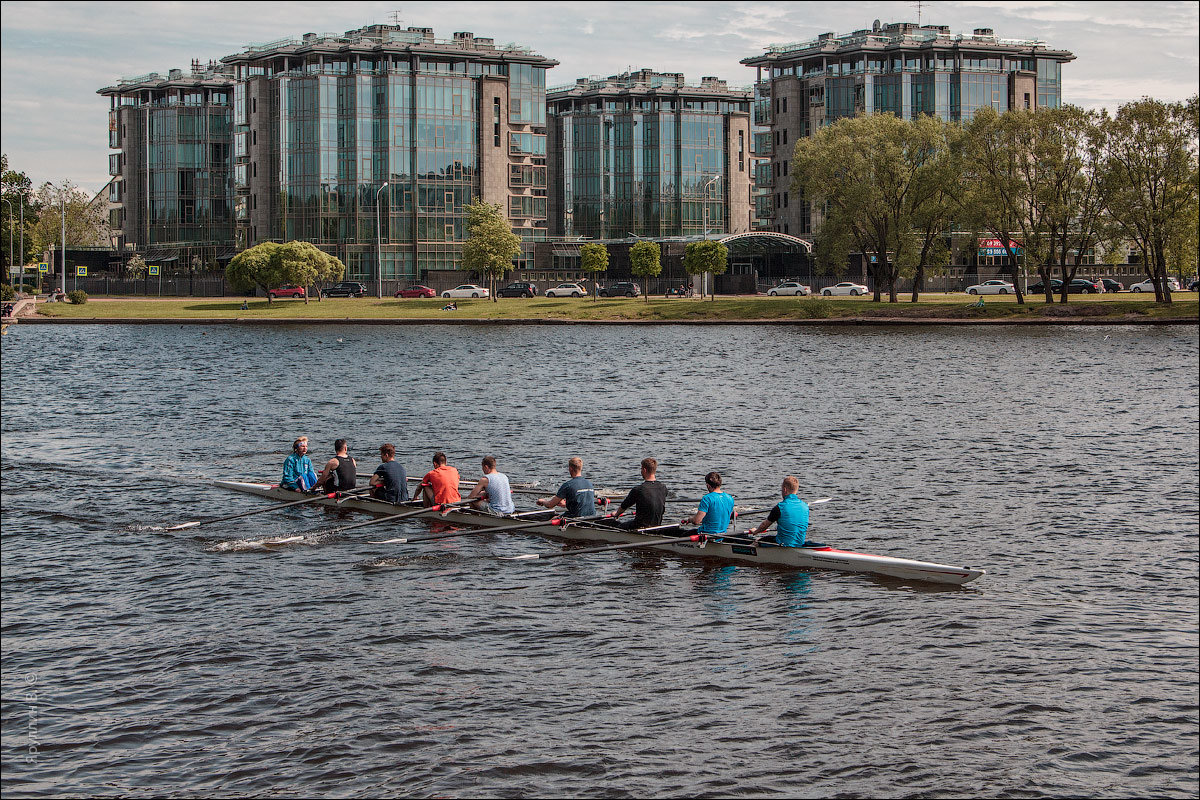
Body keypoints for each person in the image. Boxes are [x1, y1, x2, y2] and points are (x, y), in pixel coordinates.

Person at [746, 476, 810, 547]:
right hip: (799, 543)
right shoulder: (805, 506)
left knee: (757, 541)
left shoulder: (780, 507)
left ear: (785, 490)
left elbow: (764, 526)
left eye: (782, 490)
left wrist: (756, 531)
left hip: (784, 545)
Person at [610, 457, 667, 530]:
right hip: (657, 525)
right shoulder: (663, 488)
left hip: (640, 527)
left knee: (616, 526)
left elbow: (624, 506)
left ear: (644, 470)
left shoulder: (638, 490)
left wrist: (616, 514)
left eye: (641, 469)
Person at [681, 471, 735, 537]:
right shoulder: (730, 498)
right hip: (722, 534)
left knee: (680, 535)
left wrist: (689, 519)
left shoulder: (707, 498)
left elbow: (696, 521)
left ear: (708, 485)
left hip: (706, 534)